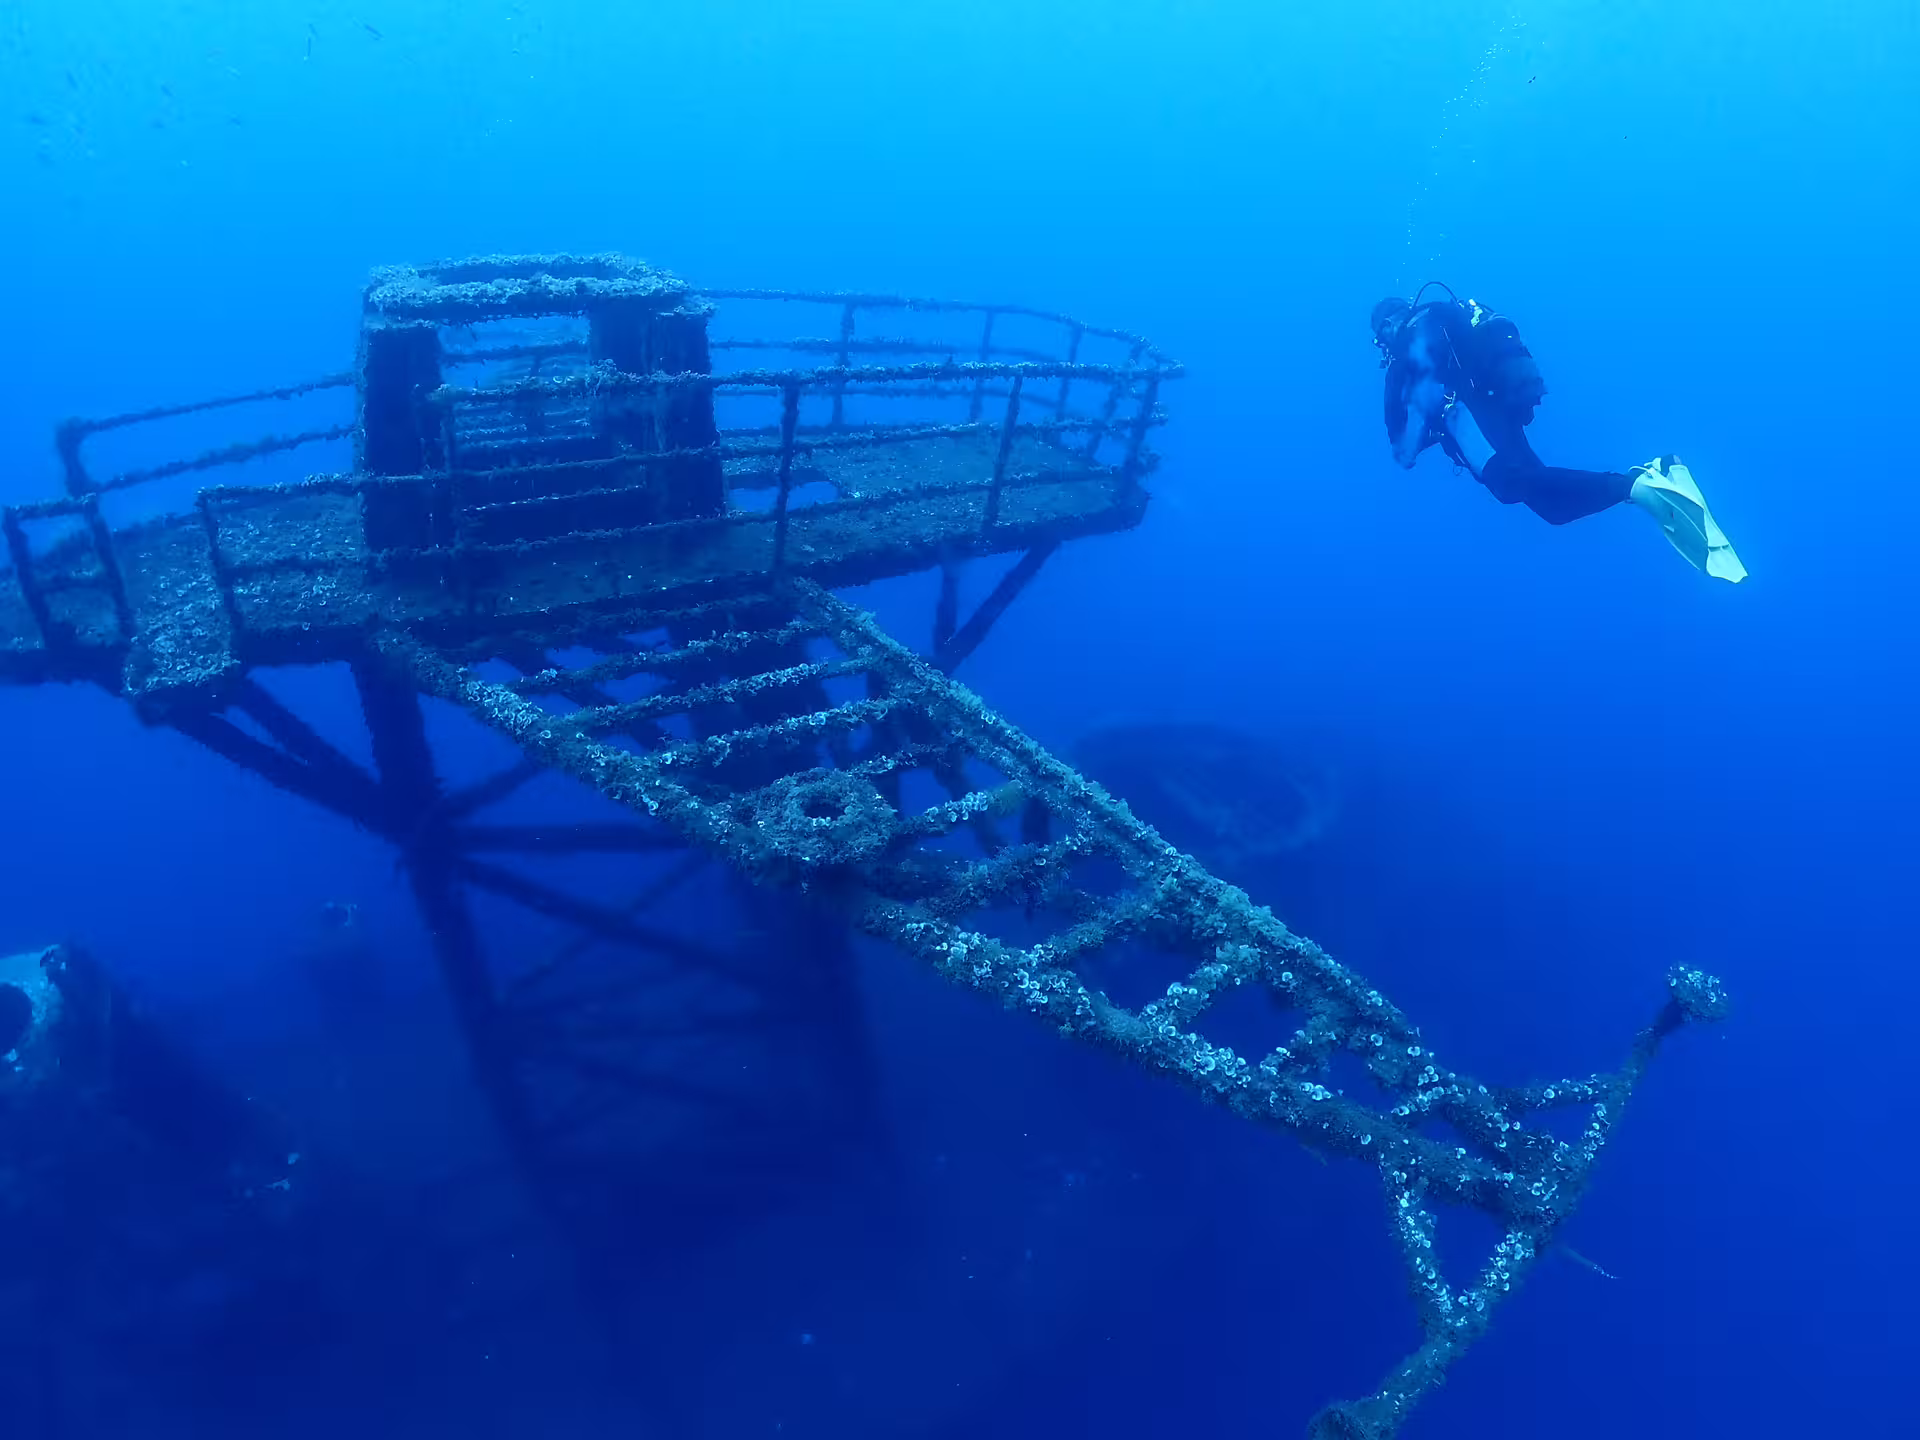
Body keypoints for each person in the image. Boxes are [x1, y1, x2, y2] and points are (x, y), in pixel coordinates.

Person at [1370, 284, 1745, 581]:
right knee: (1549, 506)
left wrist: (1429, 430)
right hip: (1498, 410)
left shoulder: (1405, 346)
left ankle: (1636, 485)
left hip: (1469, 421)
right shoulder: (1444, 315)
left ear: (1386, 328)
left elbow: (1401, 450)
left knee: (1508, 484)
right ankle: (1645, 475)